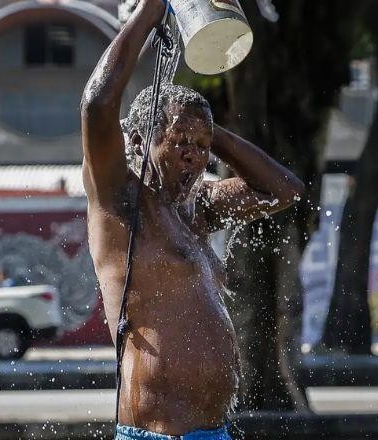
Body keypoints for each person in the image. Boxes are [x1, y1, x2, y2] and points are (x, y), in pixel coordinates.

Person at [80, 1, 304, 438]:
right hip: (158, 435)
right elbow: (96, 107)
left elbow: (285, 191)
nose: (194, 155)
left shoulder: (197, 207)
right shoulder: (120, 200)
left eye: (202, 147)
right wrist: (149, 12)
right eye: (180, 140)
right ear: (141, 141)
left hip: (214, 431)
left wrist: (208, 128)